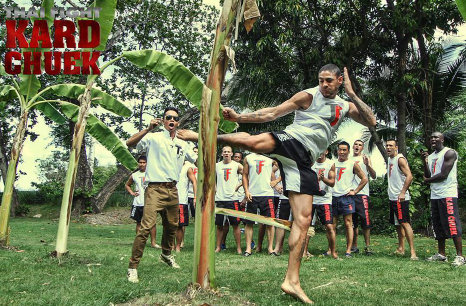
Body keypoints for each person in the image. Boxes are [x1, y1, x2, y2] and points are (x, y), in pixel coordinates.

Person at [178, 64, 376, 303]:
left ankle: (291, 281)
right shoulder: (308, 96)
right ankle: (205, 136)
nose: (324, 85)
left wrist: (353, 94)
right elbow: (271, 113)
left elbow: (371, 121)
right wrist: (240, 117)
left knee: (302, 222)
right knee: (253, 144)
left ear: (339, 81)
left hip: (305, 162)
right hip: (293, 140)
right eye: (321, 80)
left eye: (329, 81)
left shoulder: (346, 106)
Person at [126, 107, 197, 283]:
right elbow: (130, 143)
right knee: (146, 226)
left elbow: (196, 158)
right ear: (163, 120)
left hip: (173, 189)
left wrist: (195, 137)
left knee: (173, 225)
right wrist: (148, 128)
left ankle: (166, 254)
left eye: (175, 118)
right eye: (168, 117)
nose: (171, 120)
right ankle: (133, 267)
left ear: (178, 122)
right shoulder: (153, 137)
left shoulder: (183, 142)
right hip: (154, 189)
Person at [422, 132, 464, 266]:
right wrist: (425, 161)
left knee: (452, 224)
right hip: (435, 194)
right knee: (438, 225)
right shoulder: (432, 156)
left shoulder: (449, 153)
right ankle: (441, 254)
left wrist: (427, 180)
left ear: (442, 139)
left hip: (448, 194)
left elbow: (444, 175)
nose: (433, 139)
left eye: (436, 137)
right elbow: (428, 174)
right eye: (431, 137)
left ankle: (460, 256)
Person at [332, 141, 367, 258]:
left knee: (348, 224)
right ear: (337, 150)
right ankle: (331, 249)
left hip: (346, 197)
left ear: (348, 151)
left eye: (344, 150)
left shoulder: (352, 164)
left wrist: (355, 191)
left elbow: (364, 179)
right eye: (340, 150)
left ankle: (348, 251)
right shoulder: (332, 163)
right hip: (333, 197)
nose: (341, 152)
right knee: (332, 225)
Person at [386, 139, 418, 260]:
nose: (388, 148)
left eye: (391, 146)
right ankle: (401, 248)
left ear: (396, 147)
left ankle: (413, 252)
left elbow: (409, 176)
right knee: (397, 224)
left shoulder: (400, 159)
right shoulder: (390, 159)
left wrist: (403, 192)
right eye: (387, 146)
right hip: (392, 197)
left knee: (404, 223)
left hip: (400, 198)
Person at [242, 153, 278, 256]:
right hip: (252, 195)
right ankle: (248, 249)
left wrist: (277, 181)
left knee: (270, 222)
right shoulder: (248, 158)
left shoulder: (271, 157)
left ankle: (270, 249)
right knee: (249, 222)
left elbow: (285, 168)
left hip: (267, 194)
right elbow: (244, 175)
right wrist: (246, 191)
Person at [125, 155, 160, 249]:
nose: (142, 164)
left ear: (147, 163)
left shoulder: (152, 173)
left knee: (152, 223)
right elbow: (127, 185)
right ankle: (139, 242)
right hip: (138, 202)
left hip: (150, 202)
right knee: (139, 222)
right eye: (140, 162)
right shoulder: (134, 175)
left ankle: (153, 243)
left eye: (144, 162)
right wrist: (132, 193)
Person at [308, 150, 337, 259]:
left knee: (329, 226)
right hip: (311, 199)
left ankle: (333, 252)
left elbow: (332, 182)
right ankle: (304, 251)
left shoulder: (330, 164)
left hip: (325, 200)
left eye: (322, 150)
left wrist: (323, 178)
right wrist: (315, 180)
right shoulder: (311, 163)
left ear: (326, 151)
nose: (320, 152)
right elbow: (306, 180)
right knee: (308, 227)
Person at [215, 146, 243, 254]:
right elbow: (211, 178)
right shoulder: (217, 166)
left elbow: (247, 175)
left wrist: (239, 185)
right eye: (224, 152)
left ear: (231, 154)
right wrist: (215, 188)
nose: (226, 153)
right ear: (222, 154)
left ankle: (239, 248)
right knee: (219, 225)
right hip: (220, 199)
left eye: (228, 152)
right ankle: (218, 247)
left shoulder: (236, 165)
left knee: (235, 225)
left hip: (233, 199)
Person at [350, 140, 376, 255]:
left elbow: (374, 176)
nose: (357, 146)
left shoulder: (366, 158)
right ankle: (354, 246)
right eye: (356, 144)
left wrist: (368, 165)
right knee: (352, 222)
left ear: (362, 148)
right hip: (350, 193)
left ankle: (368, 246)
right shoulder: (348, 159)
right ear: (352, 146)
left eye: (360, 145)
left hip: (362, 194)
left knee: (365, 221)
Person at [175, 159, 197, 252]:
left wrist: (195, 197)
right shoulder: (170, 165)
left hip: (182, 200)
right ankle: (171, 245)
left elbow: (194, 182)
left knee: (180, 225)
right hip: (170, 200)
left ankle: (178, 246)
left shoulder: (187, 168)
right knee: (170, 225)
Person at [187, 147, 199, 220]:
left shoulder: (202, 165)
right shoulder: (188, 164)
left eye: (197, 152)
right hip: (187, 193)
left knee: (197, 216)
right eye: (194, 152)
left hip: (196, 194)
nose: (196, 153)